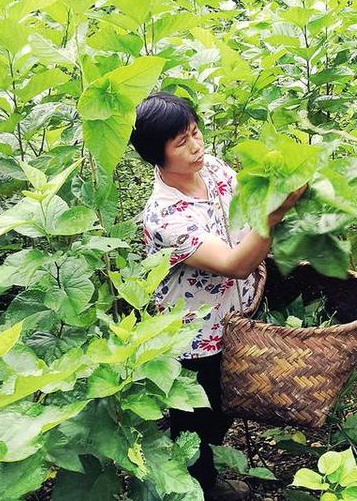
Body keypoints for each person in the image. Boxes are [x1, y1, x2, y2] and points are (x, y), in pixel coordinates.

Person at [130, 92, 304, 501]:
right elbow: (234, 264)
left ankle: (206, 482)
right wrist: (272, 218)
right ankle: (197, 490)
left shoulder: (212, 168)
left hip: (232, 318)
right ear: (158, 157)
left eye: (194, 132)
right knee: (194, 422)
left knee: (221, 409)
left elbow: (245, 202)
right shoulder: (165, 216)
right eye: (181, 143)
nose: (196, 146)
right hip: (192, 336)